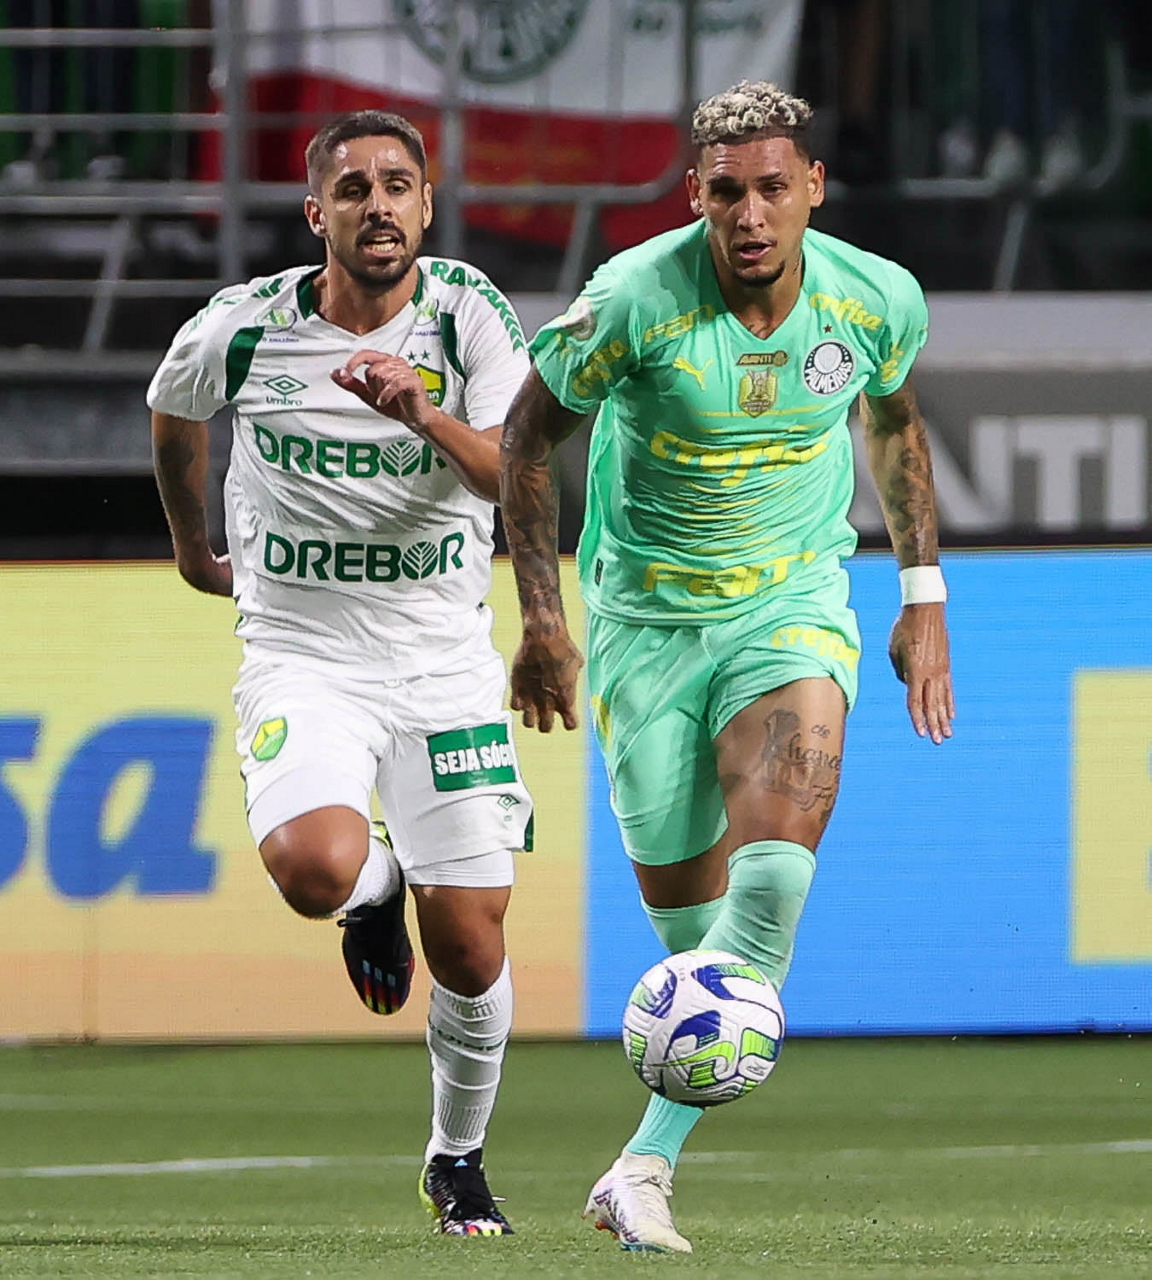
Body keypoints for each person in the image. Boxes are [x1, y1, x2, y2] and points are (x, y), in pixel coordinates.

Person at [499, 80, 954, 1253]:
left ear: (814, 188)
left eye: (771, 189)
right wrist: (544, 619)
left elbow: (893, 421)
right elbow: (524, 437)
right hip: (645, 626)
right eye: (724, 193)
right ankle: (640, 1161)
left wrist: (922, 595)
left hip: (791, 607)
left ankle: (643, 1164)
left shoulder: (872, 298)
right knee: (697, 940)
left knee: (774, 887)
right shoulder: (631, 302)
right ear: (693, 196)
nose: (749, 216)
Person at [148, 109, 532, 1238]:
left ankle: (457, 1158)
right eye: (354, 188)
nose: (379, 205)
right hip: (304, 652)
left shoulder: (469, 316)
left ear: (428, 203)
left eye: (398, 185)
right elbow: (173, 411)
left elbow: (514, 474)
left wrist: (419, 409)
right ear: (316, 212)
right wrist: (192, 548)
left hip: (441, 661)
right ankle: (370, 894)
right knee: (317, 868)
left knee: (470, 944)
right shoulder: (246, 327)